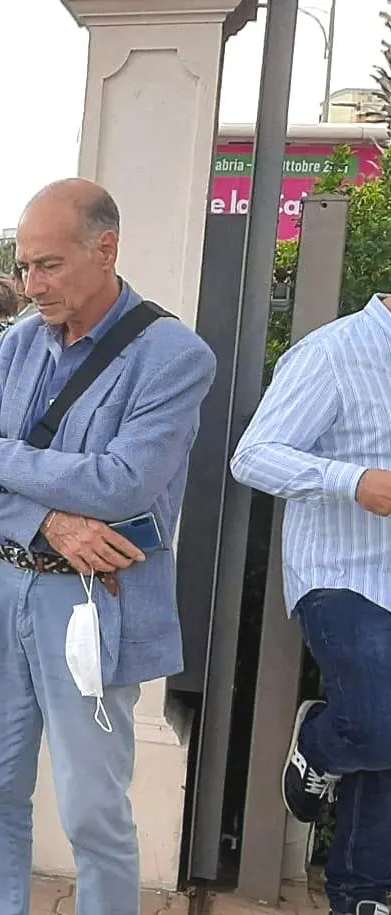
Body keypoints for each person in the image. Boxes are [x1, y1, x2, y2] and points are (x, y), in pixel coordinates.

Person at [0, 178, 215, 915]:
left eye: (50, 265)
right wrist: (49, 522)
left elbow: (120, 482)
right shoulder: (19, 341)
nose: (32, 285)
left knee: (94, 808)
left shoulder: (173, 354)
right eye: (25, 266)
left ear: (107, 249)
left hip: (96, 600)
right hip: (2, 587)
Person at [230, 297, 391, 915]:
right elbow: (254, 455)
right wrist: (351, 480)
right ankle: (321, 743)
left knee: (388, 733)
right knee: (378, 722)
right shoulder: (332, 352)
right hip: (343, 572)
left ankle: (361, 894)